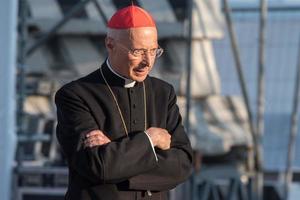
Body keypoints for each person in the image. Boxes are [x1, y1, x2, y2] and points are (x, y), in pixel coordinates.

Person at [55, 5, 193, 200]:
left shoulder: (163, 93)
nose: (148, 62)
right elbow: (98, 166)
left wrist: (117, 155)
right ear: (110, 45)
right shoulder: (75, 95)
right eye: (138, 51)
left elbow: (182, 165)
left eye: (153, 51)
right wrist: (150, 140)